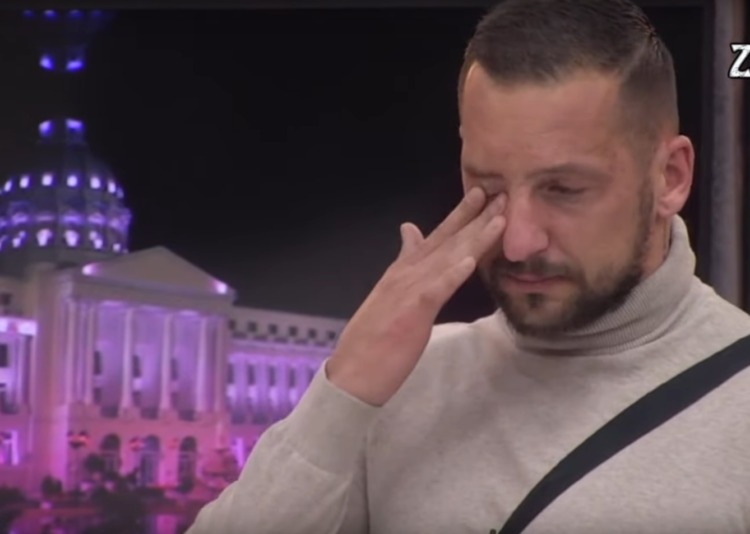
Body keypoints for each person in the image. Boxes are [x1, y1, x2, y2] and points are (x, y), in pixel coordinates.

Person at [187, 1, 750, 533]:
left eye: (563, 189)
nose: (517, 242)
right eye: (487, 187)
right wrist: (344, 393)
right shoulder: (403, 381)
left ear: (671, 177)